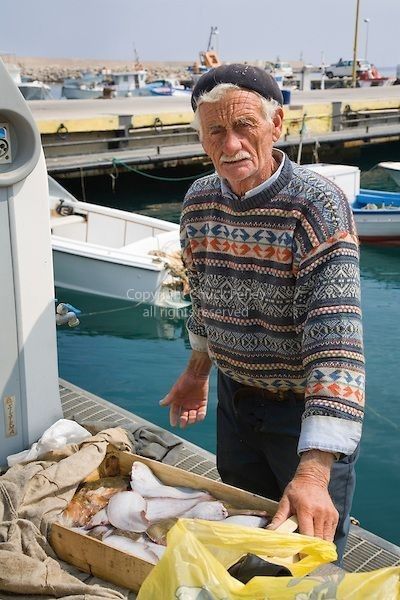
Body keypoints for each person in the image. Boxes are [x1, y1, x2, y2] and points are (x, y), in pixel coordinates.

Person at [160, 64, 364, 563]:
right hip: (236, 402)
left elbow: (335, 340)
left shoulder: (317, 206)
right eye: (215, 132)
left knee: (306, 557)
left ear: (278, 125)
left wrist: (314, 471)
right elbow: (205, 302)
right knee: (246, 540)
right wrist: (196, 375)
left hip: (301, 415)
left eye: (244, 126)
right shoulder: (198, 201)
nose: (230, 146)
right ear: (202, 140)